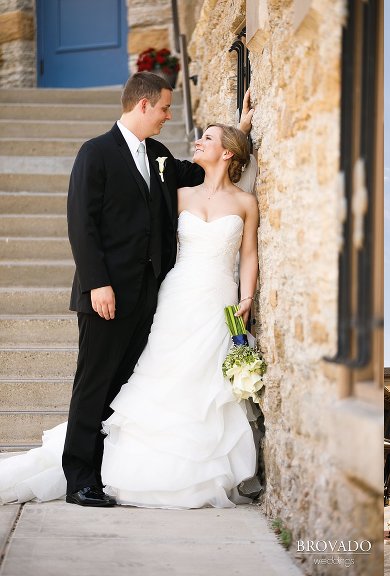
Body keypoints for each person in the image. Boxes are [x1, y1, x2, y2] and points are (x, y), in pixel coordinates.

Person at [0, 123, 259, 509]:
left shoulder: (245, 203)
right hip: (175, 295)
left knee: (203, 382)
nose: (196, 141)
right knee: (159, 374)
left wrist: (248, 296)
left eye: (207, 139)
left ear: (226, 154)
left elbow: (250, 253)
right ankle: (120, 468)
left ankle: (197, 472)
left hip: (219, 298)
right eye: (200, 135)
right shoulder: (179, 192)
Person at [61, 72, 253, 507]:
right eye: (166, 107)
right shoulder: (96, 153)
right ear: (144, 105)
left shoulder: (161, 156)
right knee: (93, 384)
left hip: (151, 298)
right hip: (105, 294)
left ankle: (106, 471)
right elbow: (81, 223)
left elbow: (211, 171)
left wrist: (240, 132)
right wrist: (97, 283)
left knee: (123, 388)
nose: (169, 115)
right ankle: (79, 481)